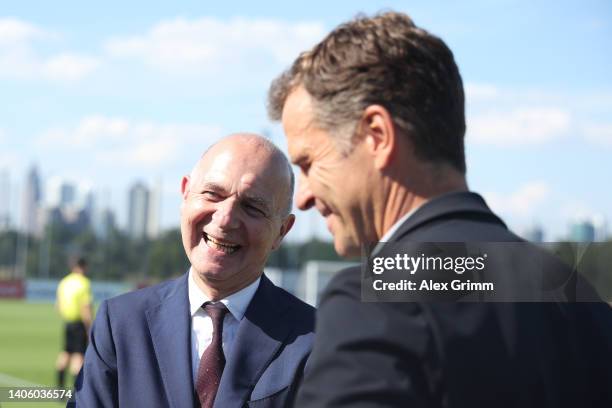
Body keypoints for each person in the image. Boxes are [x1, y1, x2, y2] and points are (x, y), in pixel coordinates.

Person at [268, 11, 612, 407]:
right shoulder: (575, 295)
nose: (305, 195)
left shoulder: (381, 296)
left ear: (376, 136)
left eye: (309, 163)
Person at [73, 134, 315, 407]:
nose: (225, 218)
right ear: (186, 193)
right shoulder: (120, 324)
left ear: (282, 231)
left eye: (252, 207)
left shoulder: (317, 341)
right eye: (213, 194)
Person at [56, 257, 93, 389]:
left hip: (67, 322)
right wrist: (89, 328)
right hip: (79, 324)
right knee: (78, 357)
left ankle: (59, 389)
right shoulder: (84, 283)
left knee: (65, 353)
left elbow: (58, 306)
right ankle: (76, 392)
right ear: (84, 267)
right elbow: (86, 307)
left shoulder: (64, 282)